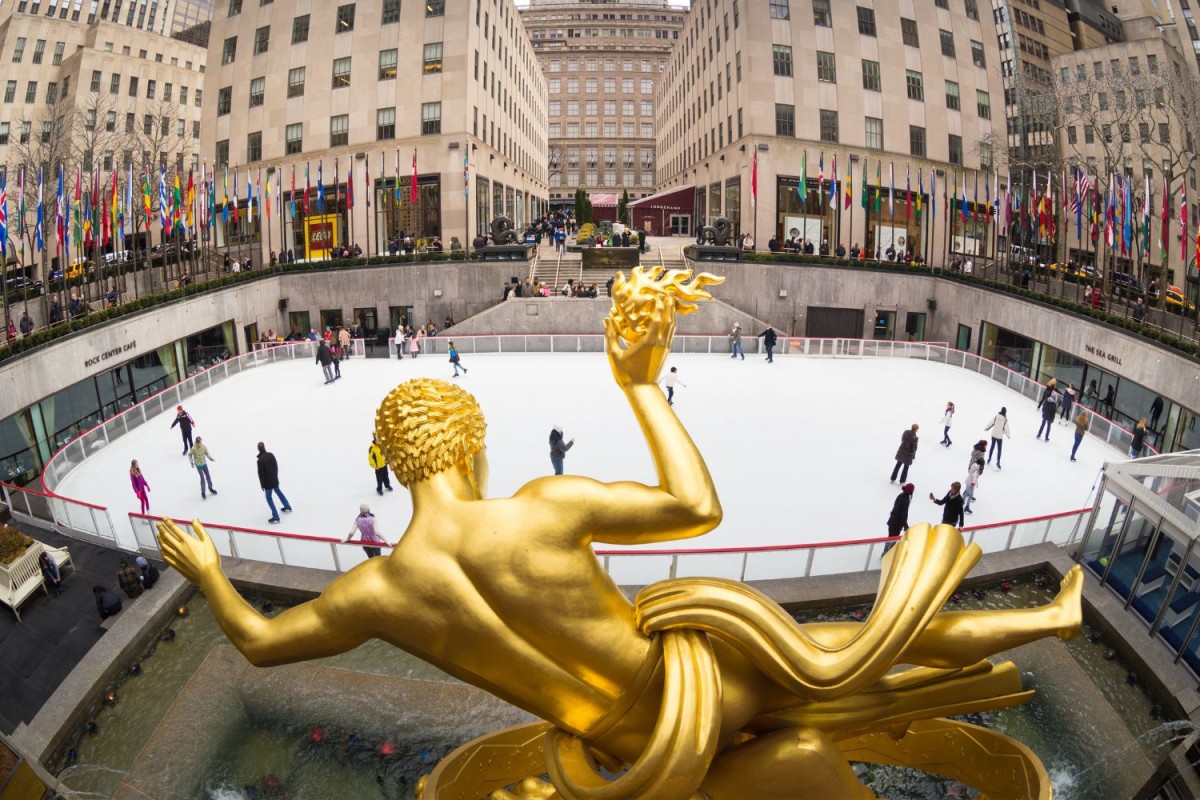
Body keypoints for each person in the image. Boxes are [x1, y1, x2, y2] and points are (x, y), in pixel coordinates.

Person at [157, 269, 1086, 800]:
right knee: (854, 645)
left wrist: (209, 572)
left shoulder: (379, 592)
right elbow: (696, 508)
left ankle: (1045, 625)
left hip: (629, 746)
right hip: (699, 689)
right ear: (470, 447)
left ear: (398, 467)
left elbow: (261, 644)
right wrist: (641, 386)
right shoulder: (540, 507)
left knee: (843, 670)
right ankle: (1048, 622)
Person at [257, 442, 293, 524]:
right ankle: (287, 506)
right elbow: (276, 467)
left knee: (269, 498)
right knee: (278, 492)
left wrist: (263, 485)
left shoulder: (260, 460)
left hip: (268, 483)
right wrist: (275, 477)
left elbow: (261, 475)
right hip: (274, 479)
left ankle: (275, 516)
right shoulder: (271, 455)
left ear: (258, 449)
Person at [884, 483, 913, 554]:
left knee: (890, 537)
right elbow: (903, 515)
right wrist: (906, 526)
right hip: (897, 524)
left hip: (892, 521)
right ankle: (888, 554)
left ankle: (885, 553)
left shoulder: (901, 495)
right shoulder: (905, 501)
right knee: (893, 539)